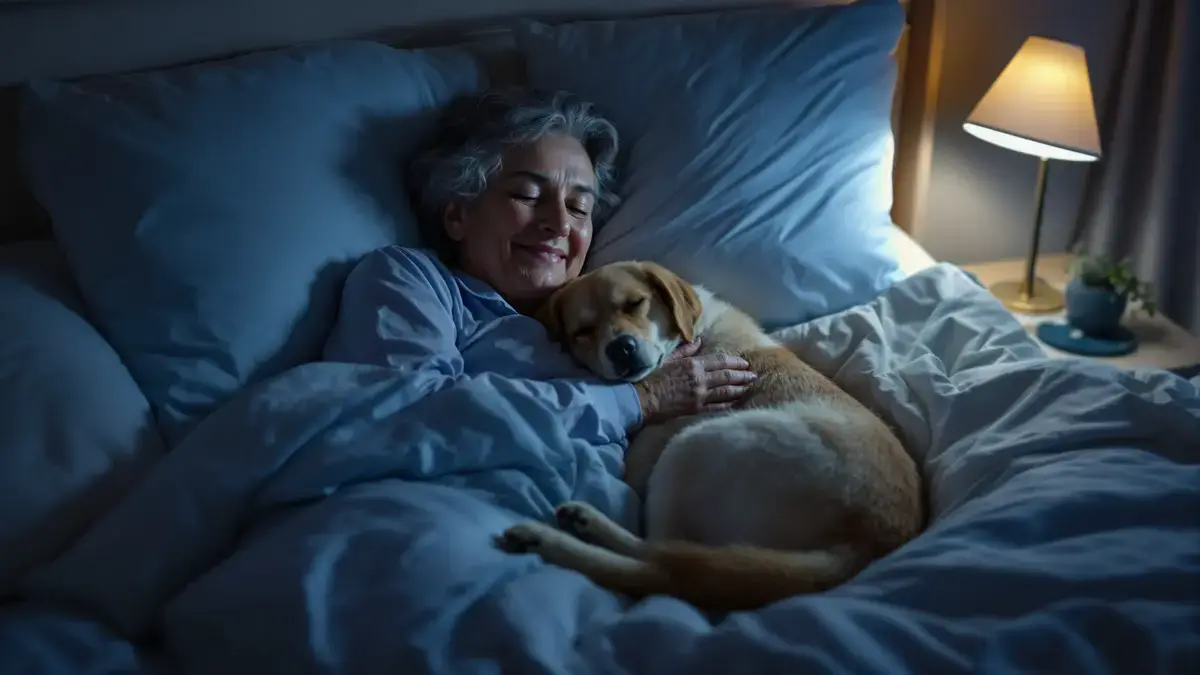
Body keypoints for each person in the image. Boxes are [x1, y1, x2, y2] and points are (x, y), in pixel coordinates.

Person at [323, 89, 757, 444]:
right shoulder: (407, 279)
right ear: (457, 214)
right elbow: (412, 419)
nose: (560, 223)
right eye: (528, 197)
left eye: (579, 206)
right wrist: (639, 402)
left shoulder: (617, 333)